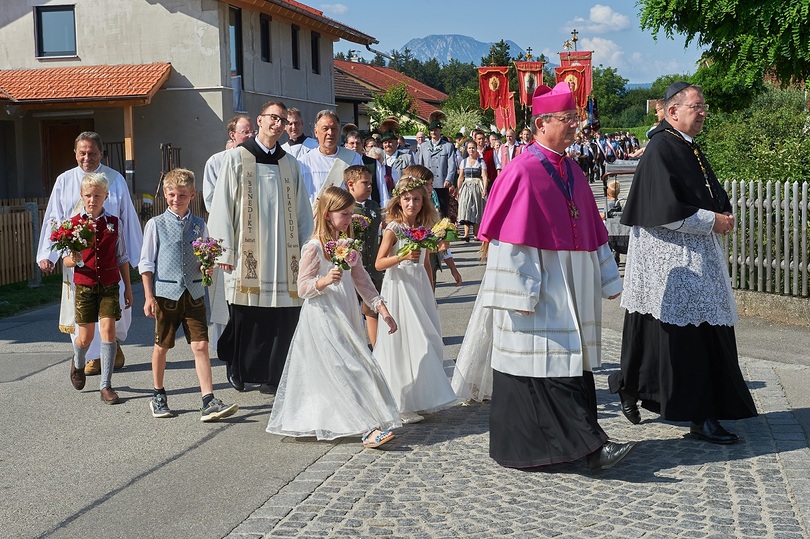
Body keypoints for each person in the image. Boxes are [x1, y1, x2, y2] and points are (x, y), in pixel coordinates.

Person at [460, 82, 635, 471]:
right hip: (538, 287)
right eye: (568, 119)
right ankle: (591, 448)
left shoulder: (572, 169)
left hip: (573, 281)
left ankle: (548, 450)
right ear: (542, 124)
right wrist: (517, 293)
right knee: (546, 364)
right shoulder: (522, 171)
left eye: (576, 118)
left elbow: (593, 229)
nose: (577, 125)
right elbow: (511, 242)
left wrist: (608, 277)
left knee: (568, 363)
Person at [608, 82, 757, 444]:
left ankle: (633, 388)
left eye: (704, 105)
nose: (704, 112)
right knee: (690, 337)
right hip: (671, 259)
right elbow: (662, 211)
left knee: (683, 333)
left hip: (692, 255)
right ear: (673, 111)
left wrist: (722, 211)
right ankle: (699, 416)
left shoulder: (685, 145)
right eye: (697, 106)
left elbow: (702, 192)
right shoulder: (662, 147)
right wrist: (713, 221)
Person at [266, 186, 400, 448]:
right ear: (328, 215)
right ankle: (367, 428)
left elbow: (363, 281)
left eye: (351, 213)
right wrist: (325, 281)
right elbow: (302, 287)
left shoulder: (347, 245)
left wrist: (381, 308)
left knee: (353, 364)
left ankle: (360, 420)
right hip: (324, 315)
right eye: (345, 214)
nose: (350, 219)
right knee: (348, 366)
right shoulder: (314, 247)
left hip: (346, 312)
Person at [208, 100, 314, 392]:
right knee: (246, 313)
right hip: (247, 254)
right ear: (260, 120)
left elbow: (303, 211)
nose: (278, 124)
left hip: (284, 255)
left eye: (282, 120)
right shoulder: (236, 159)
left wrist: (308, 248)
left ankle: (274, 375)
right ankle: (239, 370)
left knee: (282, 314)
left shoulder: (290, 163)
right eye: (273, 118)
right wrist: (224, 251)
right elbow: (222, 206)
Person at [37, 131, 142, 376]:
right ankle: (92, 357)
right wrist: (48, 254)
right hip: (79, 263)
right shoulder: (64, 181)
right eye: (82, 153)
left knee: (114, 309)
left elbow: (127, 218)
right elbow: (54, 218)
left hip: (109, 260)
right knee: (84, 311)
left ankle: (113, 344)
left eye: (92, 153)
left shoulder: (115, 180)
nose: (87, 158)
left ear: (101, 154)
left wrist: (139, 259)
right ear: (75, 154)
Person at [139, 168, 239, 422]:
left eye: (182, 195)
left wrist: (207, 265)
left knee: (201, 345)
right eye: (172, 194)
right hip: (166, 293)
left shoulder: (199, 225)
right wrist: (149, 296)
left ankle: (208, 399)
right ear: (165, 194)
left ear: (192, 195)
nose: (176, 199)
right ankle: (158, 394)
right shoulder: (156, 224)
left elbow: (206, 256)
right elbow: (146, 263)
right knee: (162, 346)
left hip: (194, 292)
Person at [374, 167, 460, 424]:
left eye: (417, 199)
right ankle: (400, 401)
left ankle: (419, 396)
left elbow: (424, 262)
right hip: (399, 286)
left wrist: (430, 289)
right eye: (407, 199)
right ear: (398, 201)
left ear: (424, 202)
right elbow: (379, 263)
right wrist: (400, 256)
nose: (411, 203)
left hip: (419, 286)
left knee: (427, 337)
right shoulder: (394, 228)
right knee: (405, 341)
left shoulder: (424, 227)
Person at [64, 173, 132, 404]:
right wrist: (72, 260)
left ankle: (106, 386)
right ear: (82, 196)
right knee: (85, 337)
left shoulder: (113, 223)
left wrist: (128, 289)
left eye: (97, 196)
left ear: (106, 196)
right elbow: (65, 260)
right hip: (84, 285)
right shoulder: (73, 225)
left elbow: (122, 256)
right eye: (88, 195)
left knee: (108, 332)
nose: (92, 200)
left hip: (110, 285)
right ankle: (78, 362)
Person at [202, 114, 256, 347]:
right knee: (225, 294)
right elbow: (211, 201)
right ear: (232, 135)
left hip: (253, 235)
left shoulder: (258, 160)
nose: (250, 135)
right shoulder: (216, 161)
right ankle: (225, 344)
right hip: (227, 235)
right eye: (245, 131)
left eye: (252, 130)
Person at [345, 165, 386, 347]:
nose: (369, 186)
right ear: (351, 185)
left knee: (372, 310)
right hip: (352, 268)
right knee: (351, 311)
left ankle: (376, 349)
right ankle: (355, 348)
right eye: (365, 183)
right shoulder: (345, 207)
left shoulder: (374, 206)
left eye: (370, 183)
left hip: (372, 265)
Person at [298, 110, 363, 208]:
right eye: (325, 129)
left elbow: (362, 191)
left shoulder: (353, 158)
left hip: (346, 219)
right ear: (316, 132)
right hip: (316, 220)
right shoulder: (304, 162)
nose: (330, 133)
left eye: (334, 129)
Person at [417, 111, 456, 217]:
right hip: (426, 182)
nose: (433, 132)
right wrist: (419, 180)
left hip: (442, 182)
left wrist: (449, 179)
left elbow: (452, 164)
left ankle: (443, 230)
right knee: (427, 208)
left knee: (442, 210)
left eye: (435, 130)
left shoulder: (448, 146)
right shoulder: (424, 146)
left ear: (440, 131)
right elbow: (420, 164)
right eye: (431, 130)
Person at [456, 140, 487, 241]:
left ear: (476, 148)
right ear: (467, 149)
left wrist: (484, 188)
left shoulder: (481, 162)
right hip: (466, 186)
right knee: (466, 208)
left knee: (477, 208)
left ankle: (476, 233)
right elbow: (461, 177)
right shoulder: (463, 162)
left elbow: (484, 176)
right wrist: (459, 189)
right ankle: (466, 234)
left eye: (473, 148)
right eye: (469, 148)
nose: (471, 150)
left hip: (477, 185)